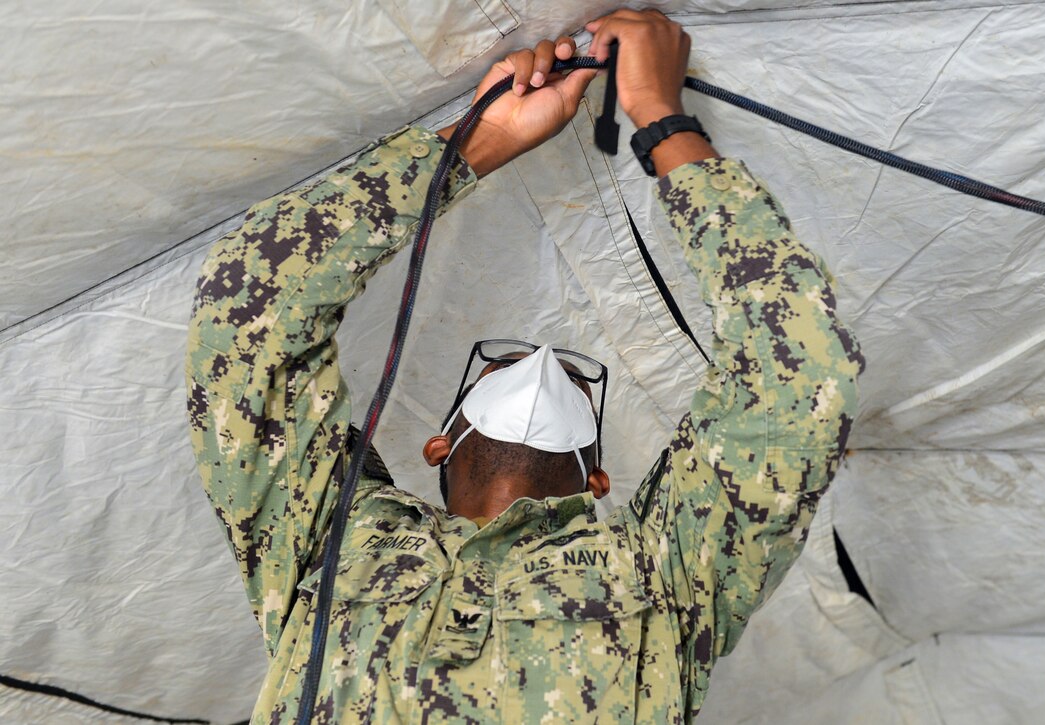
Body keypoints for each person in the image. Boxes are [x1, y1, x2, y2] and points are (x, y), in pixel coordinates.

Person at [186, 8, 864, 724]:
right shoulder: (328, 535)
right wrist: (497, 139)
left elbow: (249, 302)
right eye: (518, 362)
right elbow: (796, 378)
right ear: (439, 443)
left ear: (600, 480)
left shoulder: (670, 574)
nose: (539, 365)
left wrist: (652, 117)